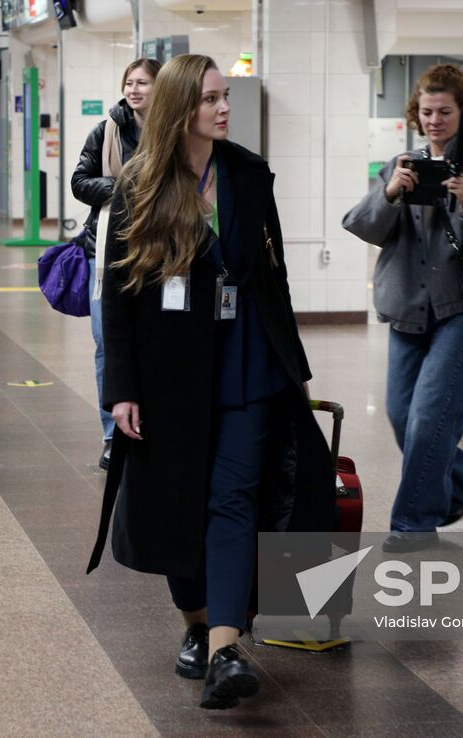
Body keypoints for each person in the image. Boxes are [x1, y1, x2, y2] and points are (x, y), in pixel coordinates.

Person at [87, 54, 334, 710]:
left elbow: (274, 278)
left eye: (226, 97)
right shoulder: (139, 185)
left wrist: (293, 371)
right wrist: (121, 387)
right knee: (179, 504)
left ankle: (226, 647)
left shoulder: (249, 177)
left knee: (233, 500)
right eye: (210, 100)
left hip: (249, 363)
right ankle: (196, 625)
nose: (224, 109)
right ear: (179, 109)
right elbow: (119, 295)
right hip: (171, 372)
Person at [342, 64, 463, 553]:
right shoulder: (402, 164)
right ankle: (461, 484)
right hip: (406, 309)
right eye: (427, 112)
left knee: (430, 416)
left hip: (461, 309)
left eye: (445, 111)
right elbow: (362, 226)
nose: (436, 120)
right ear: (415, 115)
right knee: (403, 415)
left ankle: (413, 523)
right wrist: (390, 192)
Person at [71, 57, 160, 470]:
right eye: (129, 82)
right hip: (105, 250)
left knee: (153, 340)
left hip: (159, 251)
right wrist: (124, 187)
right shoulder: (107, 129)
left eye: (142, 83)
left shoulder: (173, 133)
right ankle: (112, 433)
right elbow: (79, 181)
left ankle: (150, 421)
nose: (134, 90)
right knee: (107, 340)